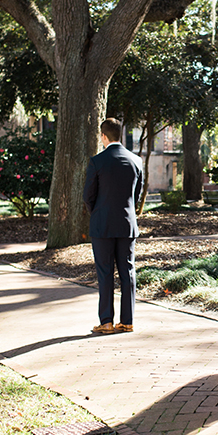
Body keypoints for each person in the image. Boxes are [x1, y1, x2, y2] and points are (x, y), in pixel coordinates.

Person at [83, 118, 144, 334]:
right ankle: (127, 321)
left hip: (102, 224)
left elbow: (88, 196)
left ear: (103, 137)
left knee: (105, 272)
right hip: (127, 223)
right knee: (127, 271)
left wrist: (98, 213)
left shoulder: (97, 161)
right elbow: (136, 195)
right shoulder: (136, 161)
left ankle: (106, 321)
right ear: (120, 134)